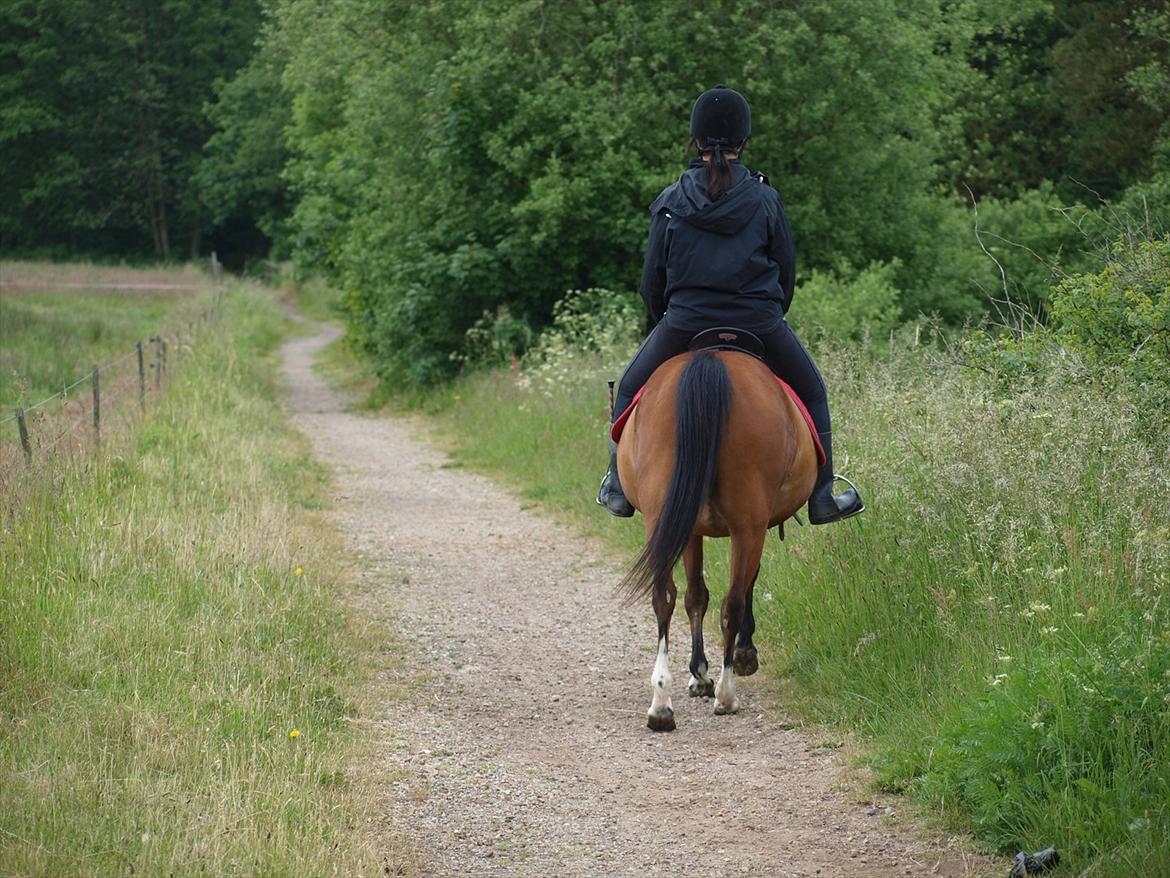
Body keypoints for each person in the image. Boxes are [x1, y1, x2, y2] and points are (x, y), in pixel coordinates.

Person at [597, 85, 864, 525]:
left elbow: (652, 282)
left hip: (686, 323)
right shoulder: (765, 199)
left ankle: (618, 486)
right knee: (814, 392)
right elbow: (786, 271)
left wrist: (665, 317)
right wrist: (771, 314)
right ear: (743, 141)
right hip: (757, 323)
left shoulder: (670, 202)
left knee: (628, 389)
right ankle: (822, 496)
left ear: (696, 140)